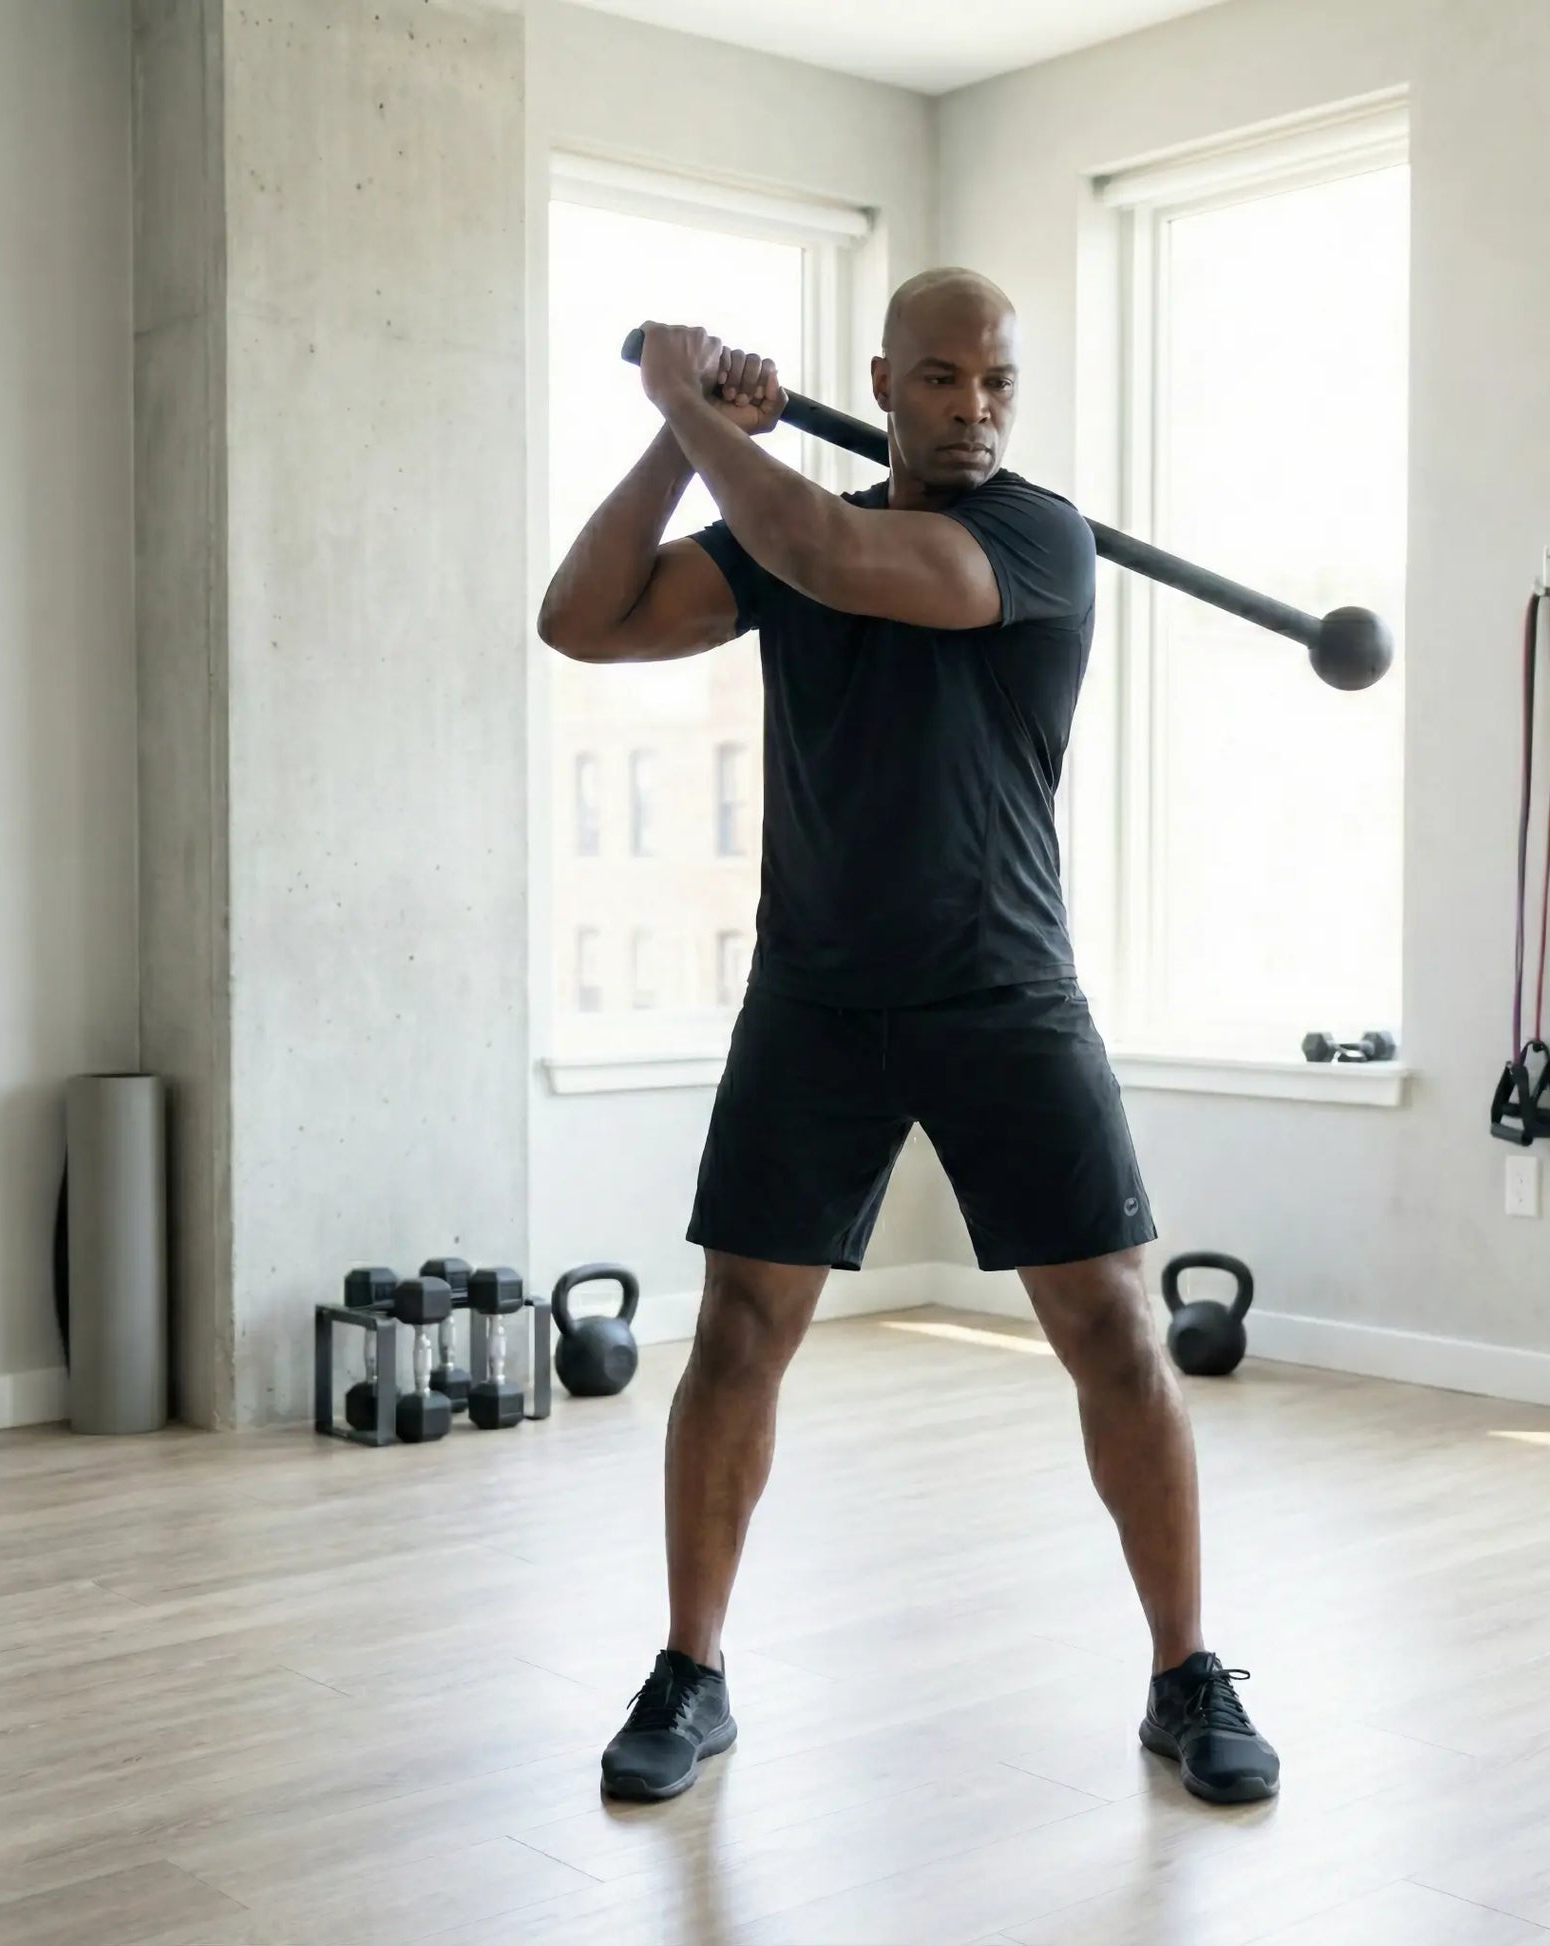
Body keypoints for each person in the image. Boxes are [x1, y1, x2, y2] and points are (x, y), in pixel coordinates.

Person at [538, 268, 1279, 1808]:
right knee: (739, 1328)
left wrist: (688, 401)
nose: (974, 409)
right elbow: (582, 619)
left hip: (1003, 990)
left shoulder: (1036, 538)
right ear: (883, 382)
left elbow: (831, 548)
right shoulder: (781, 519)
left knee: (1113, 1330)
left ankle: (1184, 1671)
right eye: (940, 380)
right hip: (813, 995)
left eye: (998, 381)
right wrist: (682, 444)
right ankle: (691, 1669)